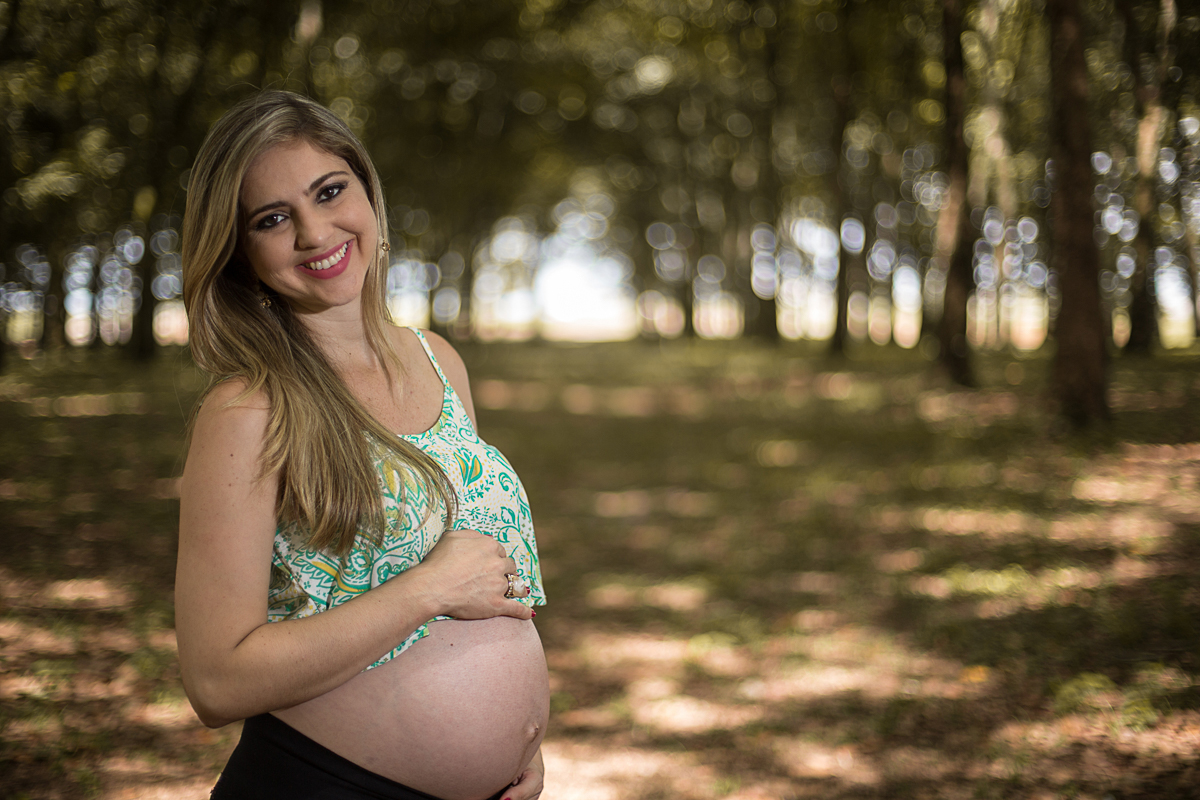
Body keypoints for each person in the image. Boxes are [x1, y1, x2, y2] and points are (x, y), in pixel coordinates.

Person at [174, 90, 548, 800]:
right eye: (274, 219)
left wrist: (519, 749)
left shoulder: (436, 358)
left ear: (366, 190)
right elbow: (216, 680)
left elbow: (486, 582)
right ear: (240, 252)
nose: (315, 233)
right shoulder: (250, 408)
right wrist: (427, 591)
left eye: (329, 191)